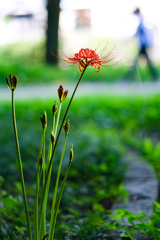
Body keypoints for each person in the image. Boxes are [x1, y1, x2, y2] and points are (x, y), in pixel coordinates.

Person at [128, 8, 158, 81]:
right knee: (147, 63)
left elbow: (142, 34)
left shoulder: (141, 21)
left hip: (143, 45)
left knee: (138, 63)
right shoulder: (142, 20)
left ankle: (129, 77)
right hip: (144, 45)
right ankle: (155, 77)